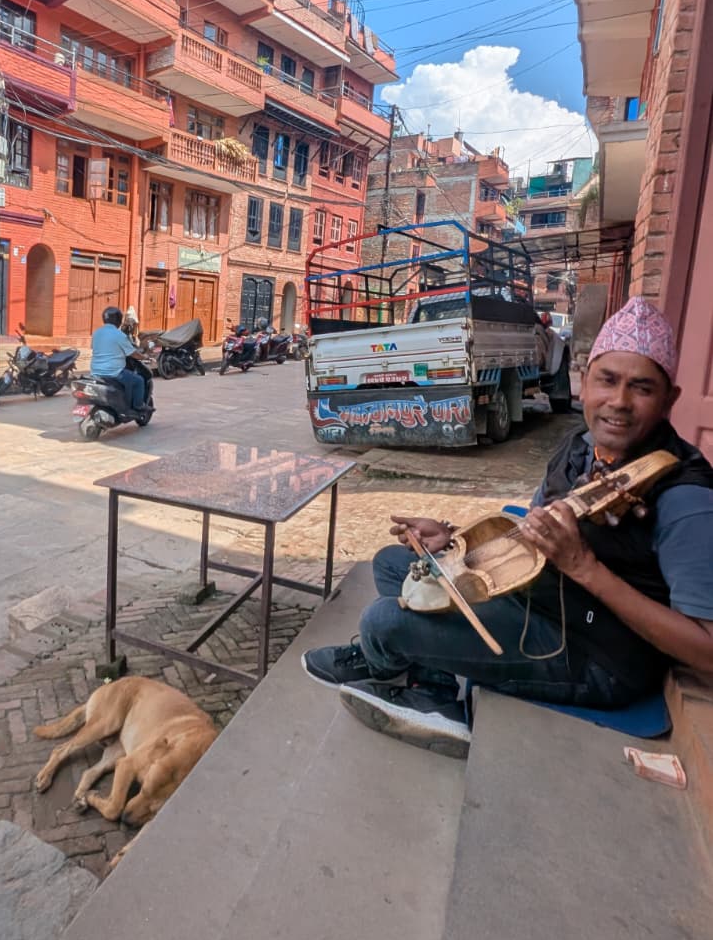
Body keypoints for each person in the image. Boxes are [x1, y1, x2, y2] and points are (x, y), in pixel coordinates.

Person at [303, 298, 713, 758]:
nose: (619, 401)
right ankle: (430, 686)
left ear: (669, 400)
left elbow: (706, 652)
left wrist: (586, 568)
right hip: (542, 598)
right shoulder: (580, 446)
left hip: (595, 653)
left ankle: (390, 662)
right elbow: (531, 534)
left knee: (383, 620)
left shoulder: (687, 500)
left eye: (641, 388)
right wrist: (456, 540)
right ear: (583, 381)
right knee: (396, 564)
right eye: (608, 380)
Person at [91, 304, 147, 414]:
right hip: (114, 372)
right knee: (139, 381)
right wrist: (144, 357)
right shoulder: (119, 335)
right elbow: (133, 353)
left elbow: (96, 348)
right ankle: (139, 406)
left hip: (95, 371)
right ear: (118, 320)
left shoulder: (96, 333)